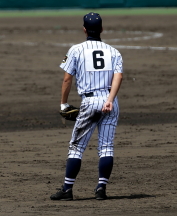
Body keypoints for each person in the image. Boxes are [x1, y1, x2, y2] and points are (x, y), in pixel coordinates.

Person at [50, 12, 124, 201]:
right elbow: (119, 77)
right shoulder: (114, 51)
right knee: (106, 147)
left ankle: (67, 189)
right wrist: (109, 99)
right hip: (110, 102)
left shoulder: (76, 50)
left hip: (90, 102)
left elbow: (67, 79)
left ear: (84, 29)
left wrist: (63, 103)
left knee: (76, 148)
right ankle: (101, 188)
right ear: (101, 29)